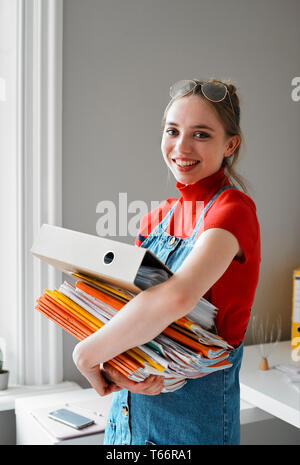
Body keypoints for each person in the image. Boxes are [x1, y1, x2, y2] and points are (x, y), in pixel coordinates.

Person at [72, 78, 261, 445]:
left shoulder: (234, 212)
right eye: (173, 131)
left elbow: (178, 297)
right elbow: (125, 311)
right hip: (126, 421)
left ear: (230, 144)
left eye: (201, 134)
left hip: (190, 428)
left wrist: (86, 353)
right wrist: (117, 367)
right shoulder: (155, 219)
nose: (181, 146)